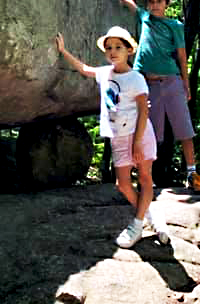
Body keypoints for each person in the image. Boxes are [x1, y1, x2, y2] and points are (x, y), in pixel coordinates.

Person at [55, 26, 170, 248]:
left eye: (118, 47)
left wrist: (137, 143)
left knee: (145, 178)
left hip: (140, 134)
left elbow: (144, 112)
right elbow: (85, 69)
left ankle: (137, 225)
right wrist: (63, 51)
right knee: (123, 184)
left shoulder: (136, 78)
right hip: (118, 137)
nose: (112, 51)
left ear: (129, 50)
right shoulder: (105, 73)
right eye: (109, 48)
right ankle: (152, 215)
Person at [102, 0, 200, 194]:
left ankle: (192, 174)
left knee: (185, 130)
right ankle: (146, 177)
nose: (154, 4)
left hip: (171, 82)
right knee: (151, 133)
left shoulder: (175, 26)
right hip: (148, 85)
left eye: (159, 0)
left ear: (167, 3)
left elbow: (182, 57)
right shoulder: (144, 17)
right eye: (151, 0)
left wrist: (186, 85)